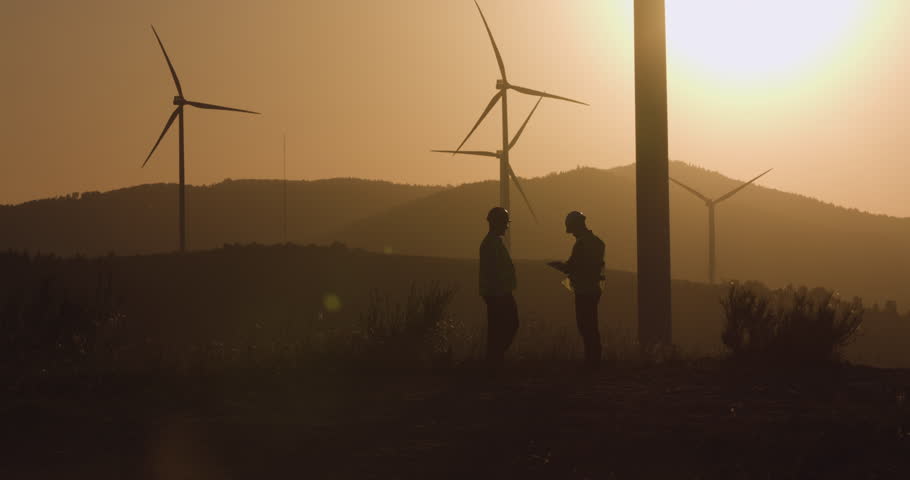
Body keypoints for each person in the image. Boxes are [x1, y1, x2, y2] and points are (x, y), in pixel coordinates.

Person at [548, 211, 606, 370]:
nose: (572, 234)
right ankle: (595, 360)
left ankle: (592, 362)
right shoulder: (598, 242)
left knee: (585, 326)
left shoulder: (581, 244)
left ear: (577, 226)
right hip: (594, 289)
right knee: (592, 325)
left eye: (572, 230)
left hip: (583, 290)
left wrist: (556, 265)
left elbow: (572, 266)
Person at [479, 207, 519, 366]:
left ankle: (494, 361)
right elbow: (494, 270)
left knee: (499, 329)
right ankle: (494, 360)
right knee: (509, 326)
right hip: (498, 293)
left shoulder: (493, 242)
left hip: (498, 292)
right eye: (504, 223)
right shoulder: (491, 244)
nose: (507, 226)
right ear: (497, 223)